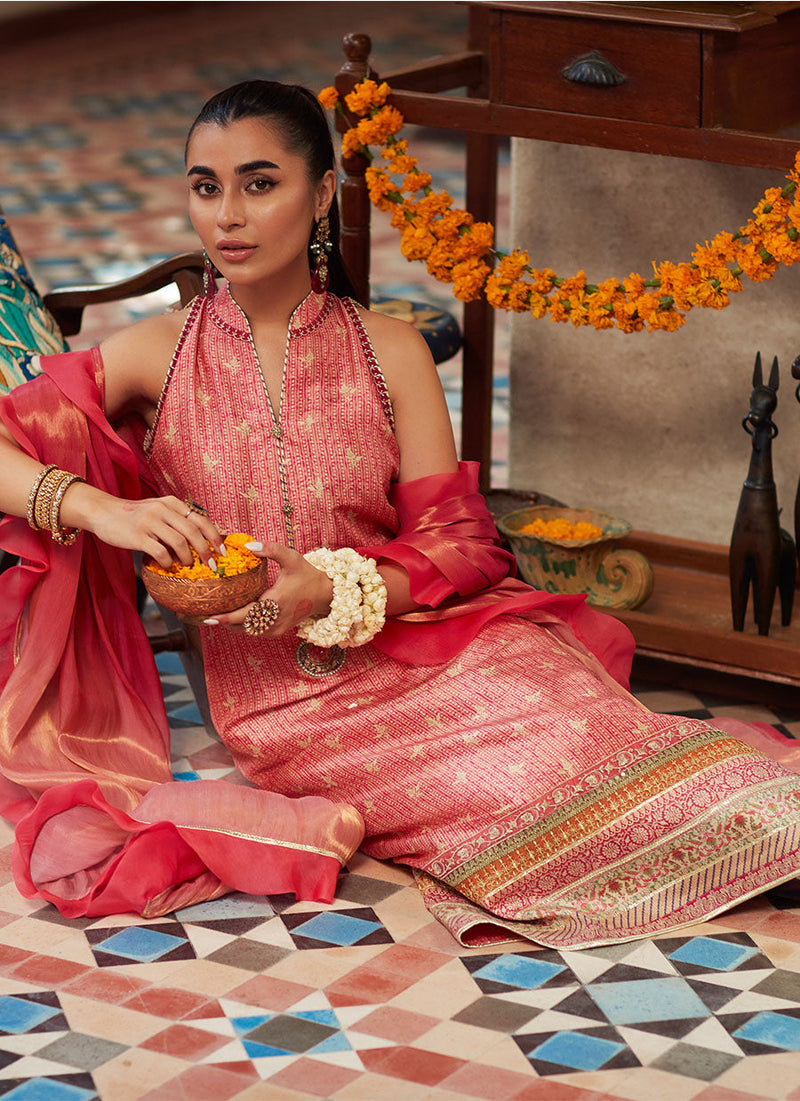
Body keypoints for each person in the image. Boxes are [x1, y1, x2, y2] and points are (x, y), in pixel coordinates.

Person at [0, 81, 798, 947]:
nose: (227, 215)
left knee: (584, 713)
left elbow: (459, 542)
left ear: (320, 196)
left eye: (259, 184)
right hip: (287, 697)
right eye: (205, 187)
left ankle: (762, 830)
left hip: (437, 635)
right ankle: (727, 844)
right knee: (525, 770)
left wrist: (335, 585)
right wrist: (97, 510)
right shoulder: (159, 354)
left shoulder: (391, 351)